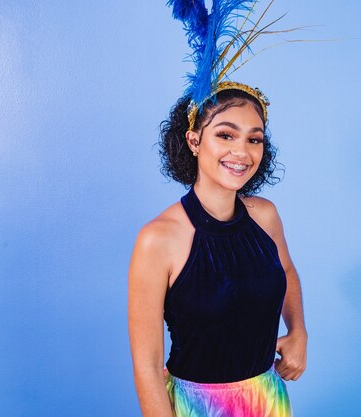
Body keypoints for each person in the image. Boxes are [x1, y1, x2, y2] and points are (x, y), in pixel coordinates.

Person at [128, 80, 307, 416]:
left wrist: (298, 331)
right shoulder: (158, 239)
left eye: (254, 139)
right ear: (194, 140)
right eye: (226, 134)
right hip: (199, 407)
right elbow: (147, 368)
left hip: (267, 400)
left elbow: (285, 270)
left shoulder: (265, 216)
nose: (241, 151)